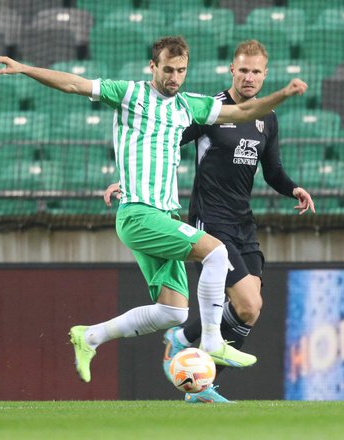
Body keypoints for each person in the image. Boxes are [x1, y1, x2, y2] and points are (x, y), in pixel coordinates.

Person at [0, 36, 309, 384]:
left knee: (172, 311)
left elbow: (246, 111)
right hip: (140, 215)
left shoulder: (189, 106)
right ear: (152, 67)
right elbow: (73, 83)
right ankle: (213, 342)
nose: (174, 77)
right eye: (168, 69)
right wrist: (23, 69)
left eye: (181, 70)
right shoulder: (129, 94)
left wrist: (284, 95)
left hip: (165, 216)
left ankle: (90, 336)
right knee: (215, 253)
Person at [105, 40, 315, 403]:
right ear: (231, 70)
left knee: (251, 308)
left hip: (242, 223)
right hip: (210, 219)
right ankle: (189, 345)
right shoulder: (209, 110)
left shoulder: (267, 118)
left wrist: (293, 188)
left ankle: (196, 371)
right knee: (247, 302)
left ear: (265, 75)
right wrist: (128, 181)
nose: (249, 77)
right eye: (243, 70)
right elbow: (161, 140)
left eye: (256, 72)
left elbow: (273, 170)